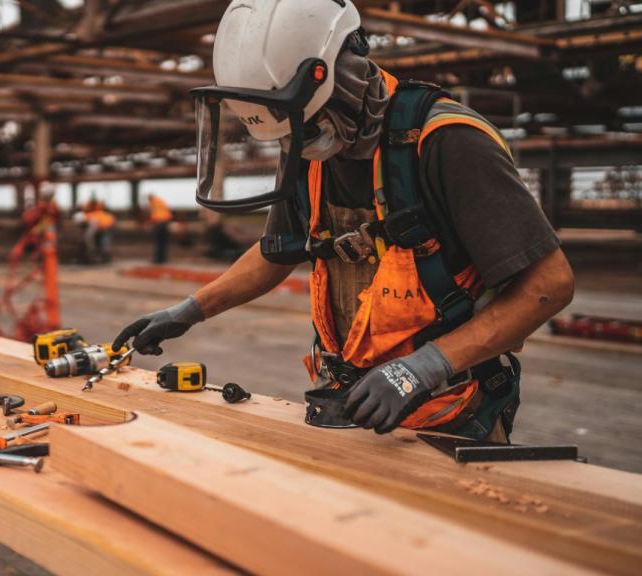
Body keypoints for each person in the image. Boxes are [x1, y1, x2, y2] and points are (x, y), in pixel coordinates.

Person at [112, 0, 574, 442]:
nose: (303, 143)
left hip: (450, 411)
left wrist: (427, 365)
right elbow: (280, 252)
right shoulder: (307, 142)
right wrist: (189, 312)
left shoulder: (446, 141)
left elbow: (549, 284)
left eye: (309, 126)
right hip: (350, 405)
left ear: (344, 75)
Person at [147, 193, 173, 264]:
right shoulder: (159, 201)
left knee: (159, 242)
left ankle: (158, 259)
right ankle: (162, 259)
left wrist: (151, 222)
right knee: (163, 241)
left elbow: (154, 214)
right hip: (165, 222)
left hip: (160, 223)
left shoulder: (154, 202)